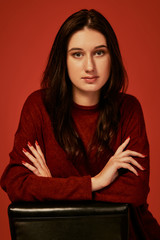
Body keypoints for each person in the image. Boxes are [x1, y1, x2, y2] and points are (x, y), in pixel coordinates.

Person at [1, 9, 160, 239]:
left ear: (112, 56)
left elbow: (135, 191)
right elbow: (15, 183)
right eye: (77, 54)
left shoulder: (129, 108)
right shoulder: (38, 106)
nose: (89, 66)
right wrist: (96, 182)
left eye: (99, 53)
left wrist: (53, 187)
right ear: (62, 59)